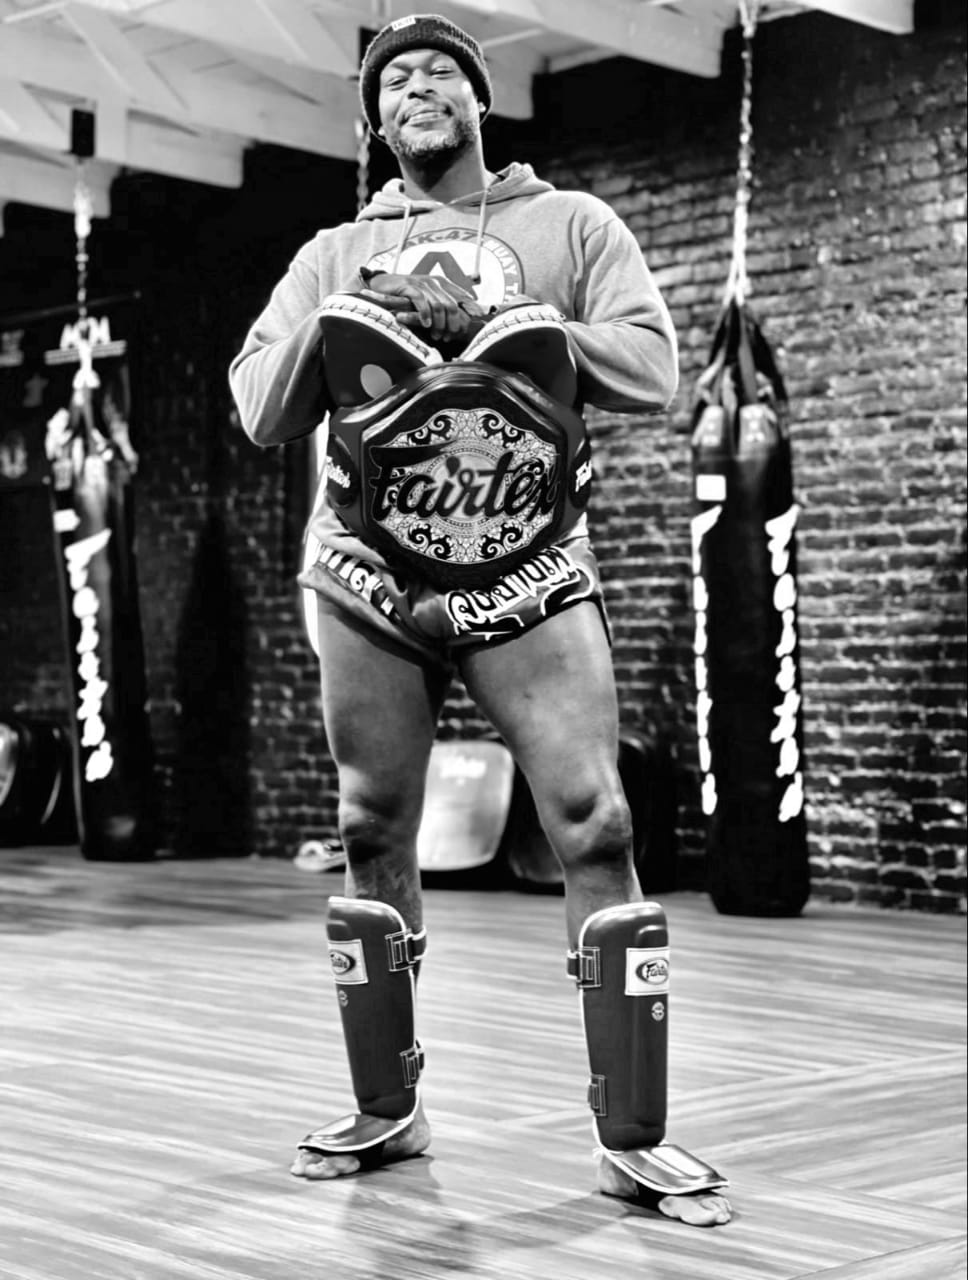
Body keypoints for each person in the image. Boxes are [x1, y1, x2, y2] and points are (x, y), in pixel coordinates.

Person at [230, 13, 731, 1229]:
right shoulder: (334, 249)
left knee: (594, 817)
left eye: (440, 70)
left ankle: (631, 1137)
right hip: (365, 564)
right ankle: (386, 1108)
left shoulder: (570, 225)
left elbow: (652, 368)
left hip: (528, 558)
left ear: (477, 99)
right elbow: (256, 403)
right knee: (368, 823)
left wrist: (519, 329)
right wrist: (346, 318)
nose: (417, 85)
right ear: (373, 119)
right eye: (393, 77)